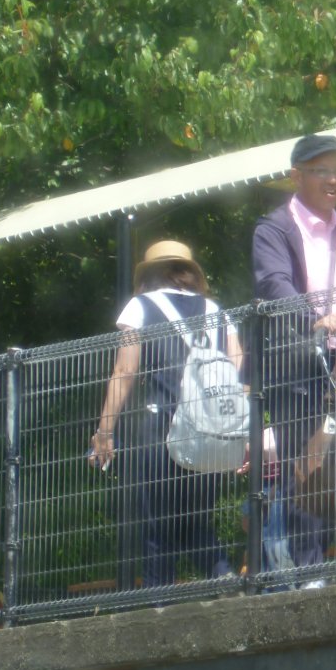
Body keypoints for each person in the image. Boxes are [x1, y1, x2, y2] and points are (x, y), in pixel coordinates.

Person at [252, 133, 336, 580]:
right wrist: (313, 320)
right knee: (303, 476)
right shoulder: (275, 229)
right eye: (322, 170)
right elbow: (274, 284)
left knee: (335, 477)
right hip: (299, 372)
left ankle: (313, 574)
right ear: (296, 176)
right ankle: (302, 578)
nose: (334, 179)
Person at [92, 240, 238, 588]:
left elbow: (125, 371)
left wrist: (104, 431)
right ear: (188, 273)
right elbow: (236, 369)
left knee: (157, 525)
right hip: (210, 433)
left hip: (162, 430)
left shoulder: (139, 306)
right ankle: (224, 578)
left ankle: (159, 606)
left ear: (150, 274)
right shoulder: (216, 310)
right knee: (195, 520)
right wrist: (236, 434)